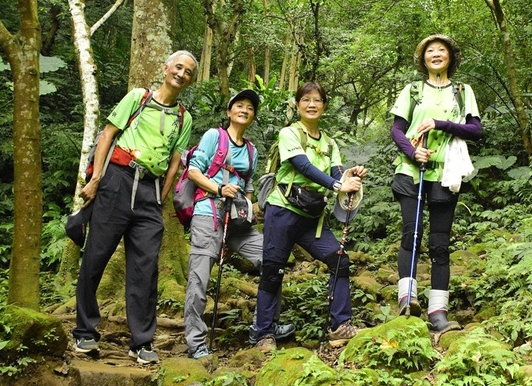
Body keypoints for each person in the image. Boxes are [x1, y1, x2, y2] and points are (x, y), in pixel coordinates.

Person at [73, 51, 196, 364]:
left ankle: (141, 342)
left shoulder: (184, 117)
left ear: (191, 80)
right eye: (178, 67)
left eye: (188, 72)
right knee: (95, 257)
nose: (181, 74)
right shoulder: (138, 98)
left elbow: (174, 163)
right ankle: (85, 332)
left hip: (150, 194)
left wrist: (161, 198)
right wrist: (96, 179)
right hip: (117, 181)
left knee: (145, 269)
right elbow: (108, 136)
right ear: (166, 68)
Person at [253, 82, 367, 352]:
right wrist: (338, 186)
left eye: (317, 100)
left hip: (312, 218)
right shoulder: (289, 133)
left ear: (324, 105)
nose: (312, 104)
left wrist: (350, 177)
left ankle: (340, 325)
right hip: (282, 210)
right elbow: (301, 166)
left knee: (339, 259)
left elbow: (338, 172)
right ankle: (264, 334)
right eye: (306, 100)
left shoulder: (329, 142)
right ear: (298, 104)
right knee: (272, 270)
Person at [183, 89, 295, 359]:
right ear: (229, 111)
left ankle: (264, 325)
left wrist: (247, 205)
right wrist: (219, 189)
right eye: (239, 105)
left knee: (272, 259)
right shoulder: (214, 136)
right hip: (208, 214)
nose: (245, 110)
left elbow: (247, 186)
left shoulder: (252, 150)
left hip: (237, 221)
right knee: (199, 277)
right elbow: (194, 170)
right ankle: (196, 341)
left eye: (250, 108)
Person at [390, 35, 482, 336]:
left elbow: (475, 130)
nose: (436, 54)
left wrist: (440, 124)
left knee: (440, 244)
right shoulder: (412, 90)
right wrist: (412, 151)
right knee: (411, 235)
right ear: (423, 58)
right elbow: (397, 129)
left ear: (450, 57)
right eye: (431, 51)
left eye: (442, 50)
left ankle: (438, 312)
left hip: (446, 174)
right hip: (411, 172)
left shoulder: (462, 91)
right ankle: (407, 301)